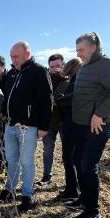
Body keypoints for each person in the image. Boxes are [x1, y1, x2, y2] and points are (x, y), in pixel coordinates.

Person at [68, 32, 110, 218]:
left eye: (82, 50)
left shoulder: (105, 64)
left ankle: (92, 211)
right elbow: (83, 94)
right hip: (82, 124)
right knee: (78, 161)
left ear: (93, 47)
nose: (79, 54)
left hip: (97, 126)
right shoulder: (86, 66)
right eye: (77, 50)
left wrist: (100, 114)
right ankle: (84, 199)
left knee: (87, 165)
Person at [0, 41, 52, 211]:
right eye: (11, 57)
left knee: (26, 161)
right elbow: (8, 96)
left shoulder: (38, 71)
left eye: (16, 57)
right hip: (10, 125)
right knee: (11, 159)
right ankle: (10, 189)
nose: (13, 60)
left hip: (28, 126)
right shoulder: (12, 73)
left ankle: (27, 195)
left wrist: (43, 127)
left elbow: (47, 101)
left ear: (27, 54)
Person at [55, 57, 83, 201]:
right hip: (73, 124)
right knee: (73, 159)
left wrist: (59, 99)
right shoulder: (77, 81)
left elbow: (71, 100)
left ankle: (72, 190)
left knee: (69, 158)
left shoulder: (76, 82)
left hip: (71, 125)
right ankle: (73, 189)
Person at [38, 54, 68, 185]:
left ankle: (70, 181)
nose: (55, 69)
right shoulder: (44, 81)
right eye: (52, 66)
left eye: (58, 66)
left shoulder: (70, 81)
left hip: (65, 122)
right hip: (49, 121)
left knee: (68, 153)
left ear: (64, 65)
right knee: (47, 150)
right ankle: (46, 176)